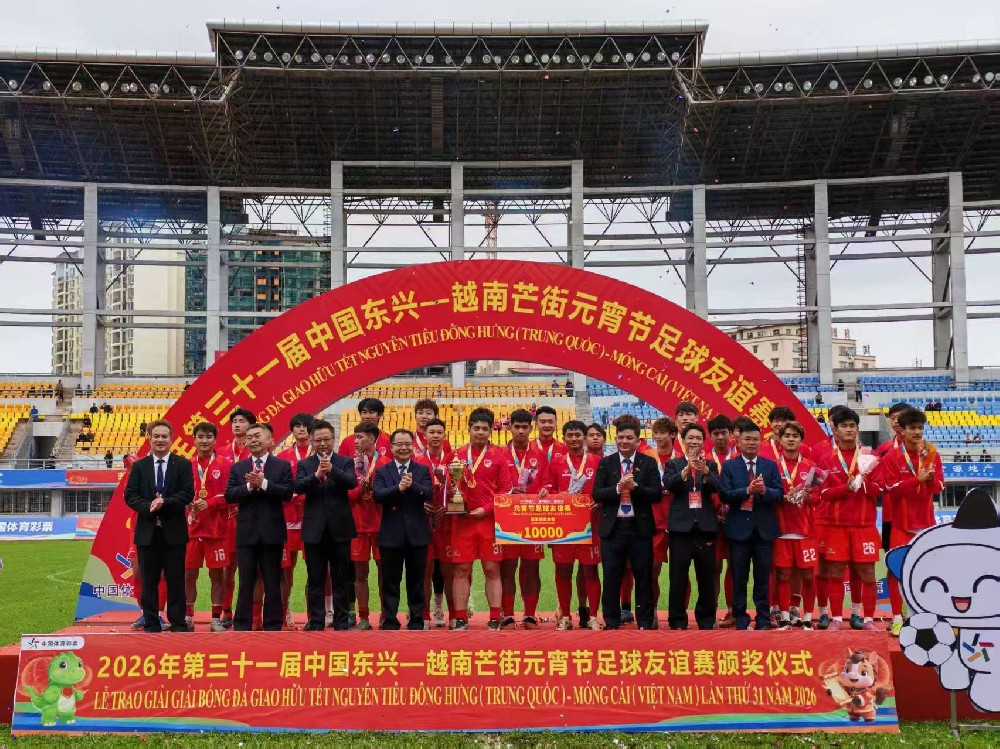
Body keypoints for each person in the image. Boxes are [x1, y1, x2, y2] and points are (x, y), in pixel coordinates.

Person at [445, 407, 513, 631]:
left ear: (490, 430)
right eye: (476, 428)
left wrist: (486, 509)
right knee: (461, 570)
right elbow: (446, 486)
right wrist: (453, 497)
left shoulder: (498, 457)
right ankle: (460, 618)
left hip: (488, 522)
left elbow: (506, 490)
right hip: (462, 522)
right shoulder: (456, 456)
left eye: (485, 428)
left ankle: (494, 617)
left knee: (492, 569)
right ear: (469, 429)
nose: (480, 432)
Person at [123, 420, 194, 633]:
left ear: (171, 439)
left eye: (164, 436)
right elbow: (130, 495)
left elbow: (187, 494)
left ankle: (178, 623)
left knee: (176, 580)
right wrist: (149, 506)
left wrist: (165, 502)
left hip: (174, 532)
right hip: (147, 532)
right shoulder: (139, 466)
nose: (160, 440)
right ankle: (151, 623)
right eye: (156, 436)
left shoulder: (182, 464)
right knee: (148, 581)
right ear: (149, 438)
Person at [593, 414, 662, 630]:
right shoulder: (606, 463)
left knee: (643, 576)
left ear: (638, 440)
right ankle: (611, 621)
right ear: (615, 439)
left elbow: (656, 494)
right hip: (613, 528)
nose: (624, 441)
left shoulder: (648, 463)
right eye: (621, 437)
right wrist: (617, 488)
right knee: (611, 575)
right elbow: (597, 493)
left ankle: (644, 621)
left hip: (639, 527)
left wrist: (636, 488)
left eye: (629, 438)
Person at [879, 407, 944, 636]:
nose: (917, 432)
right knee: (895, 569)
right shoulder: (891, 457)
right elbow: (889, 488)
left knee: (926, 571)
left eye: (920, 428)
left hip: (926, 524)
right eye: (912, 428)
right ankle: (897, 618)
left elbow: (939, 487)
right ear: (902, 430)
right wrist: (916, 480)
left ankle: (922, 617)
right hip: (899, 524)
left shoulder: (932, 453)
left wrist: (930, 481)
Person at [815, 407, 880, 631]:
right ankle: (836, 618)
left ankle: (865, 618)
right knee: (835, 573)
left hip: (864, 525)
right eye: (844, 426)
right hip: (836, 526)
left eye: (852, 425)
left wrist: (864, 483)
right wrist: (846, 488)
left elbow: (879, 490)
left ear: (857, 429)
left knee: (867, 574)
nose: (849, 430)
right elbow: (822, 494)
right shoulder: (826, 459)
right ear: (835, 430)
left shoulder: (871, 457)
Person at [224, 423, 294, 632]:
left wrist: (264, 484)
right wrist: (249, 486)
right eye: (249, 437)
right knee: (246, 581)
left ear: (270, 440)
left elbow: (287, 493)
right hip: (246, 534)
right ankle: (242, 624)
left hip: (272, 533)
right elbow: (229, 495)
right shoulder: (238, 468)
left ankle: (273, 625)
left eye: (257, 436)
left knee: (272, 582)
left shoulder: (281, 466)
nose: (253, 440)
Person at [293, 419, 358, 631]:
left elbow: (352, 482)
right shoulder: (305, 464)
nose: (322, 444)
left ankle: (341, 620)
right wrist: (317, 475)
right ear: (311, 440)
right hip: (314, 529)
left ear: (333, 439)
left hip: (340, 528)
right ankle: (316, 621)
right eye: (318, 440)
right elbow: (298, 486)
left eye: (326, 439)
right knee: (315, 578)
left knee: (341, 578)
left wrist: (332, 470)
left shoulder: (344, 461)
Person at [720, 420, 783, 631]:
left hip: (764, 531)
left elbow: (779, 495)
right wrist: (747, 491)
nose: (751, 443)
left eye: (755, 439)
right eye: (747, 439)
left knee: (763, 578)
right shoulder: (730, 466)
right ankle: (741, 618)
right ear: (738, 441)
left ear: (761, 442)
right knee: (739, 577)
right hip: (739, 531)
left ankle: (763, 618)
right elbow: (725, 495)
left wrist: (764, 491)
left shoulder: (770, 465)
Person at [543, 420, 603, 630]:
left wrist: (598, 502)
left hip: (590, 525)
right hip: (564, 527)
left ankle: (593, 616)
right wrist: (554, 495)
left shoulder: (597, 461)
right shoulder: (557, 462)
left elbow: (604, 489)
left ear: (585, 438)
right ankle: (566, 617)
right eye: (570, 435)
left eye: (578, 435)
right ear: (564, 438)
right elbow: (548, 488)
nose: (574, 439)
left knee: (590, 570)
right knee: (563, 571)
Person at [374, 429, 434, 630]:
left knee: (416, 580)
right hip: (391, 534)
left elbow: (428, 493)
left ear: (413, 446)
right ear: (391, 447)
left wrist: (412, 485)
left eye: (407, 444)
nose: (404, 448)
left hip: (417, 534)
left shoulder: (422, 470)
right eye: (399, 444)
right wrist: (398, 488)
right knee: (390, 580)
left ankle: (416, 619)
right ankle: (390, 619)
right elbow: (378, 495)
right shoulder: (383, 471)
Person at [662, 423, 721, 631]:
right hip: (681, 529)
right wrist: (686, 470)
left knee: (706, 577)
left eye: (698, 438)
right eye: (690, 438)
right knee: (678, 577)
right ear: (683, 440)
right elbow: (669, 485)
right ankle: (677, 620)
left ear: (703, 442)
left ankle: (706, 619)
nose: (694, 441)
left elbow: (718, 488)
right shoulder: (673, 464)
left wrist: (706, 473)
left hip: (705, 527)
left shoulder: (710, 464)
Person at [499, 408, 547, 629]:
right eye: (516, 427)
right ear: (509, 428)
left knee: (531, 568)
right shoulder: (500, 454)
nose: (520, 431)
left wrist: (546, 490)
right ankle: (508, 614)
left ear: (531, 428)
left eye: (524, 427)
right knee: (507, 568)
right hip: (507, 521)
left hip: (532, 520)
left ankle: (529, 614)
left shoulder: (539, 455)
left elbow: (547, 482)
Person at [183, 421, 230, 632]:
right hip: (191, 530)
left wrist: (210, 503)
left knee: (217, 576)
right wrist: (187, 502)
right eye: (200, 437)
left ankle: (216, 618)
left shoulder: (225, 464)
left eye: (209, 437)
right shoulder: (186, 465)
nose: (204, 441)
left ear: (215, 440)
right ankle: (187, 617)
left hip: (216, 530)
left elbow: (231, 495)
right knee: (188, 575)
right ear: (194, 440)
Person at [771, 422, 817, 629]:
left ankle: (807, 617)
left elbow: (818, 500)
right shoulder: (772, 466)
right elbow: (767, 495)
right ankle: (784, 617)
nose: (791, 439)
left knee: (807, 575)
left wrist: (808, 497)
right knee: (783, 575)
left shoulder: (810, 467)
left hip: (805, 531)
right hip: (780, 531)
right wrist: (782, 497)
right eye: (787, 435)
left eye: (795, 436)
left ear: (801, 440)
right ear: (780, 440)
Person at [346, 422, 391, 630]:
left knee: (385, 572)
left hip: (383, 525)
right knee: (359, 574)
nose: (356, 441)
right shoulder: (349, 465)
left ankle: (385, 614)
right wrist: (360, 489)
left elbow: (391, 494)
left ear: (372, 439)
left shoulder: (386, 463)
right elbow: (346, 496)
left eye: (360, 437)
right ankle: (363, 616)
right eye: (355, 437)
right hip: (358, 526)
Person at [218, 407, 255, 628]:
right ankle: (226, 610)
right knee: (227, 568)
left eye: (242, 421)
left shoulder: (256, 452)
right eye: (234, 421)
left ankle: (251, 613)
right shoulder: (222, 452)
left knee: (249, 568)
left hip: (249, 515)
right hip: (225, 518)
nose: (237, 425)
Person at [276, 412, 314, 630]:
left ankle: (316, 613)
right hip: (288, 518)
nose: (301, 429)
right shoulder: (283, 457)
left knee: (317, 568)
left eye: (305, 426)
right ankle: (284, 611)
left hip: (312, 517)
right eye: (297, 426)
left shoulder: (319, 455)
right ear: (291, 430)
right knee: (286, 569)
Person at [413, 417, 450, 628]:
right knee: (424, 569)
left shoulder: (453, 459)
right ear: (424, 435)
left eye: (439, 432)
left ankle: (441, 610)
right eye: (432, 432)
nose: (435, 436)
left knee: (447, 570)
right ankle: (424, 614)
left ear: (445, 435)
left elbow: (462, 488)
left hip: (448, 521)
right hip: (423, 521)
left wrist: (451, 505)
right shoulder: (417, 460)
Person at [641, 417, 679, 621]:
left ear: (673, 435)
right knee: (652, 570)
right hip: (654, 521)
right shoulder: (646, 457)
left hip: (679, 521)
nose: (658, 436)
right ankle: (652, 612)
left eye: (662, 433)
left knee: (680, 571)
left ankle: (678, 614)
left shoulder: (681, 458)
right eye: (655, 433)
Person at [707, 414, 738, 628]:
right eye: (716, 433)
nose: (720, 437)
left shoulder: (738, 458)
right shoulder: (704, 459)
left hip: (735, 520)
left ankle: (732, 611)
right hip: (711, 522)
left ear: (731, 434)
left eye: (724, 433)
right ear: (710, 436)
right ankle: (711, 613)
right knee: (714, 568)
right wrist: (713, 514)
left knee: (734, 567)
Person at [875, 402, 911, 559]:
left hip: (917, 514)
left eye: (900, 417)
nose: (896, 421)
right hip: (891, 513)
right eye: (893, 418)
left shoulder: (924, 449)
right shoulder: (883, 449)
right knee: (892, 560)